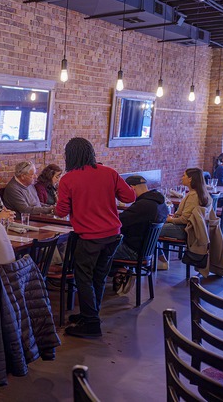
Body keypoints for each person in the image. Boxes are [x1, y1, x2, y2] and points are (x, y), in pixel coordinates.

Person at [55, 138, 134, 338]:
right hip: (113, 236)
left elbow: (60, 211)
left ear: (69, 156)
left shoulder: (68, 179)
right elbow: (130, 197)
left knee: (84, 278)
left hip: (89, 237)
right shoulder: (109, 173)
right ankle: (90, 314)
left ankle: (91, 323)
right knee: (98, 277)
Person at [161, 168, 213, 240]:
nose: (182, 178)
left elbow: (185, 220)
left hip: (185, 230)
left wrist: (170, 220)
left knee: (152, 230)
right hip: (195, 229)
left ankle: (152, 251)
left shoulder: (193, 196)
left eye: (184, 175)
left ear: (190, 179)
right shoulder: (203, 193)